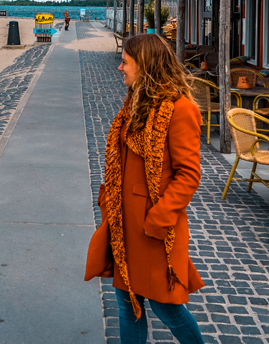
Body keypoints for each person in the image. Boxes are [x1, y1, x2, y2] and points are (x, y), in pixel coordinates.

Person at [85, 33, 205, 344]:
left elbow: (189, 175)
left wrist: (157, 219)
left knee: (168, 308)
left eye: (125, 62)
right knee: (128, 308)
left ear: (146, 66)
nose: (120, 68)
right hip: (124, 224)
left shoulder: (180, 109)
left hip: (153, 229)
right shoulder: (136, 103)